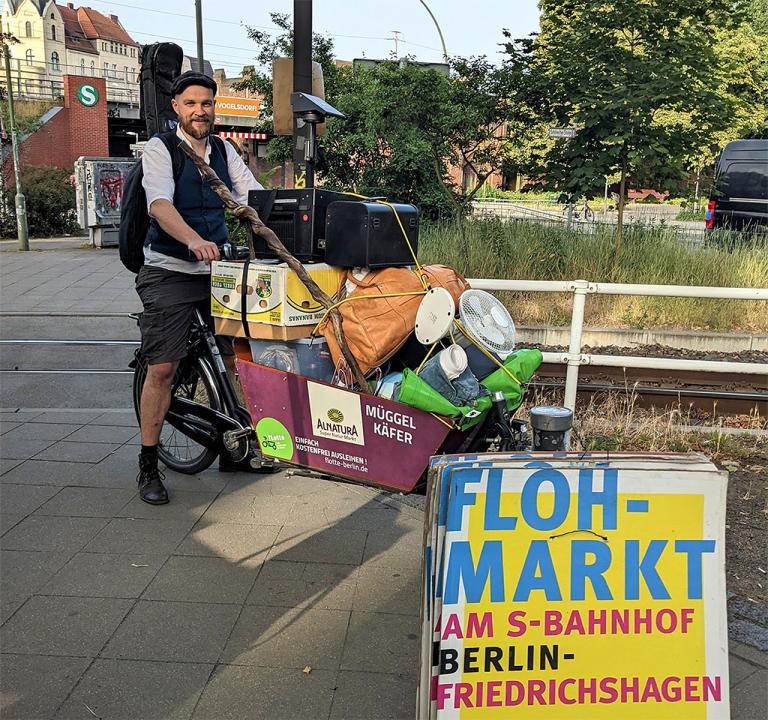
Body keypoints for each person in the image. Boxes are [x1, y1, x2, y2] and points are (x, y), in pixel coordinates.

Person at [135, 71, 261, 505]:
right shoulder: (162, 149)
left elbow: (252, 196)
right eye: (190, 103)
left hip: (217, 271)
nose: (199, 111)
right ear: (177, 108)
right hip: (169, 269)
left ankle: (232, 443)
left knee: (235, 355)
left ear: (214, 106)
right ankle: (148, 464)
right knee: (164, 369)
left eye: (206, 103)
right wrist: (191, 239)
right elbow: (159, 204)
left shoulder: (224, 150)